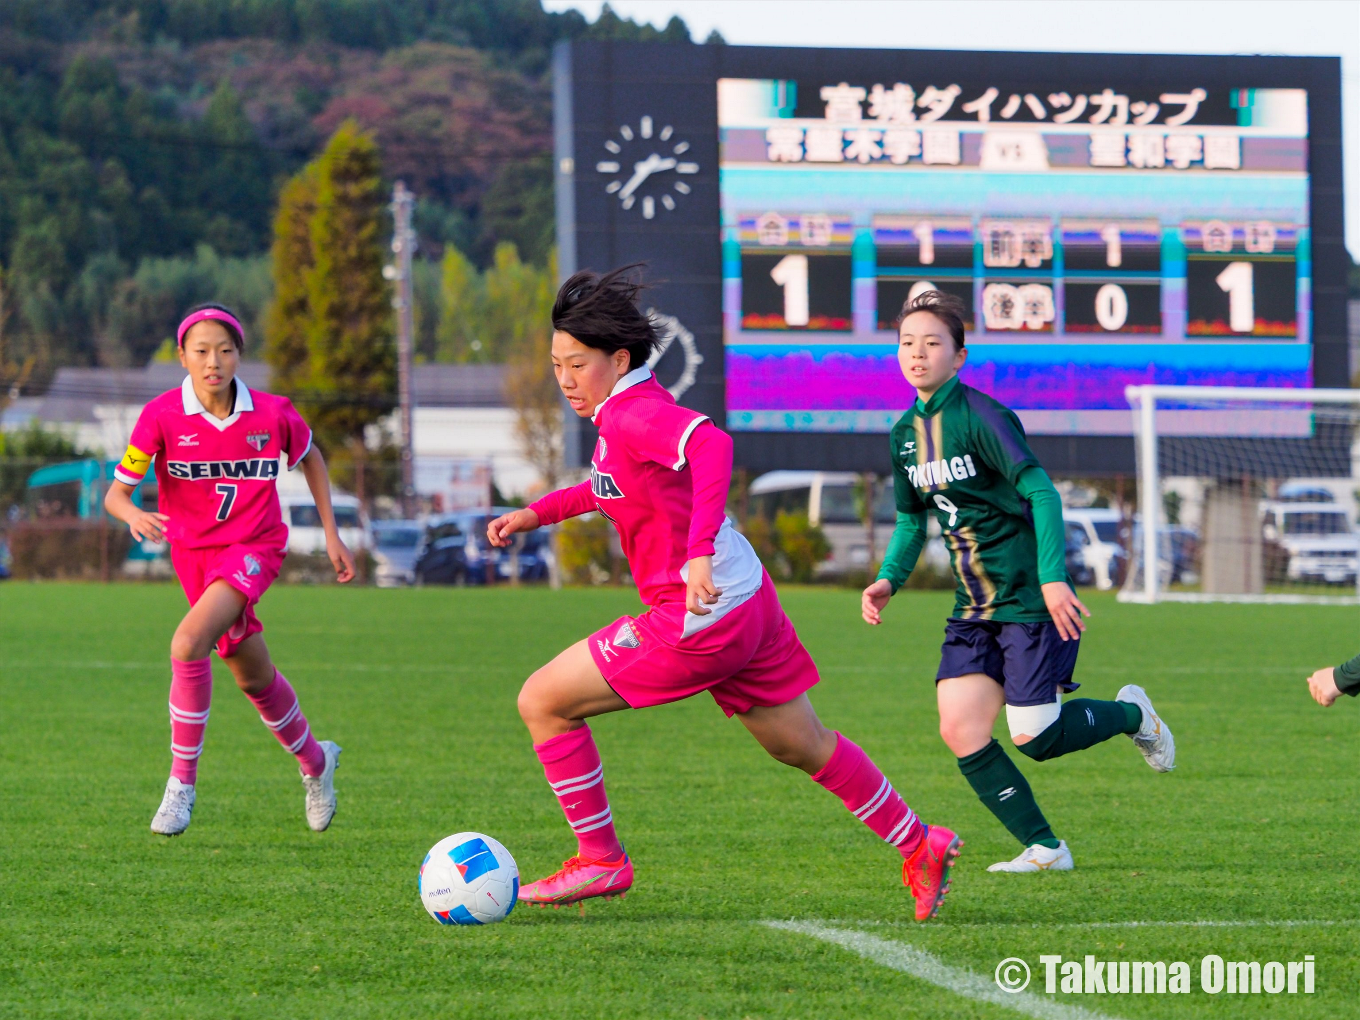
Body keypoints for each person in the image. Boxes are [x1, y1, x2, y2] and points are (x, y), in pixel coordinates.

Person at [487, 267, 960, 921]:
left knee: (542, 702)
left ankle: (600, 859)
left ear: (617, 358)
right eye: (557, 364)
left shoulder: (634, 413)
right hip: (748, 602)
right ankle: (919, 843)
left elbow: (710, 445)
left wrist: (697, 550)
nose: (564, 378)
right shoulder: (620, 413)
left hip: (701, 614)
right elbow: (605, 487)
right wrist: (532, 515)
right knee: (801, 743)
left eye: (576, 364)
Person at [861, 290, 1175, 873]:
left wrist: (1054, 580)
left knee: (1037, 739)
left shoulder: (982, 416)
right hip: (972, 607)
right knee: (960, 728)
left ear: (959, 356)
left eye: (933, 343)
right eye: (908, 343)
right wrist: (888, 579)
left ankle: (1134, 717)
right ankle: (1046, 849)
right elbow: (911, 519)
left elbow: (1042, 492)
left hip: (1029, 599)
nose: (917, 354)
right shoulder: (904, 433)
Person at [105, 303, 353, 837]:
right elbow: (116, 494)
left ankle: (181, 787)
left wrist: (332, 533)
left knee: (187, 642)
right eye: (201, 351)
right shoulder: (161, 416)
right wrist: (133, 514)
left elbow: (311, 457)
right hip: (193, 558)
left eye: (224, 349)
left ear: (239, 354)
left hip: (254, 547)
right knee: (252, 674)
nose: (213, 361)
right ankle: (316, 761)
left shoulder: (272, 413)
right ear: (182, 357)